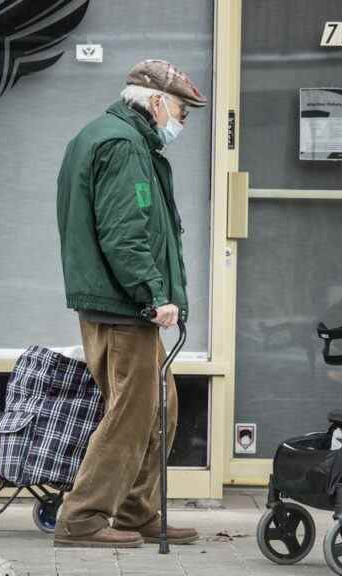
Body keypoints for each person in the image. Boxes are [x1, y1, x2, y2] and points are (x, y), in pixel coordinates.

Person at [54, 59, 206, 548]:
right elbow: (125, 233)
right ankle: (83, 518)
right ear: (156, 101)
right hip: (124, 307)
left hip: (113, 302)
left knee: (159, 407)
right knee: (133, 412)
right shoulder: (123, 145)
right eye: (182, 110)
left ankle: (137, 511)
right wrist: (154, 295)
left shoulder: (108, 136)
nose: (182, 122)